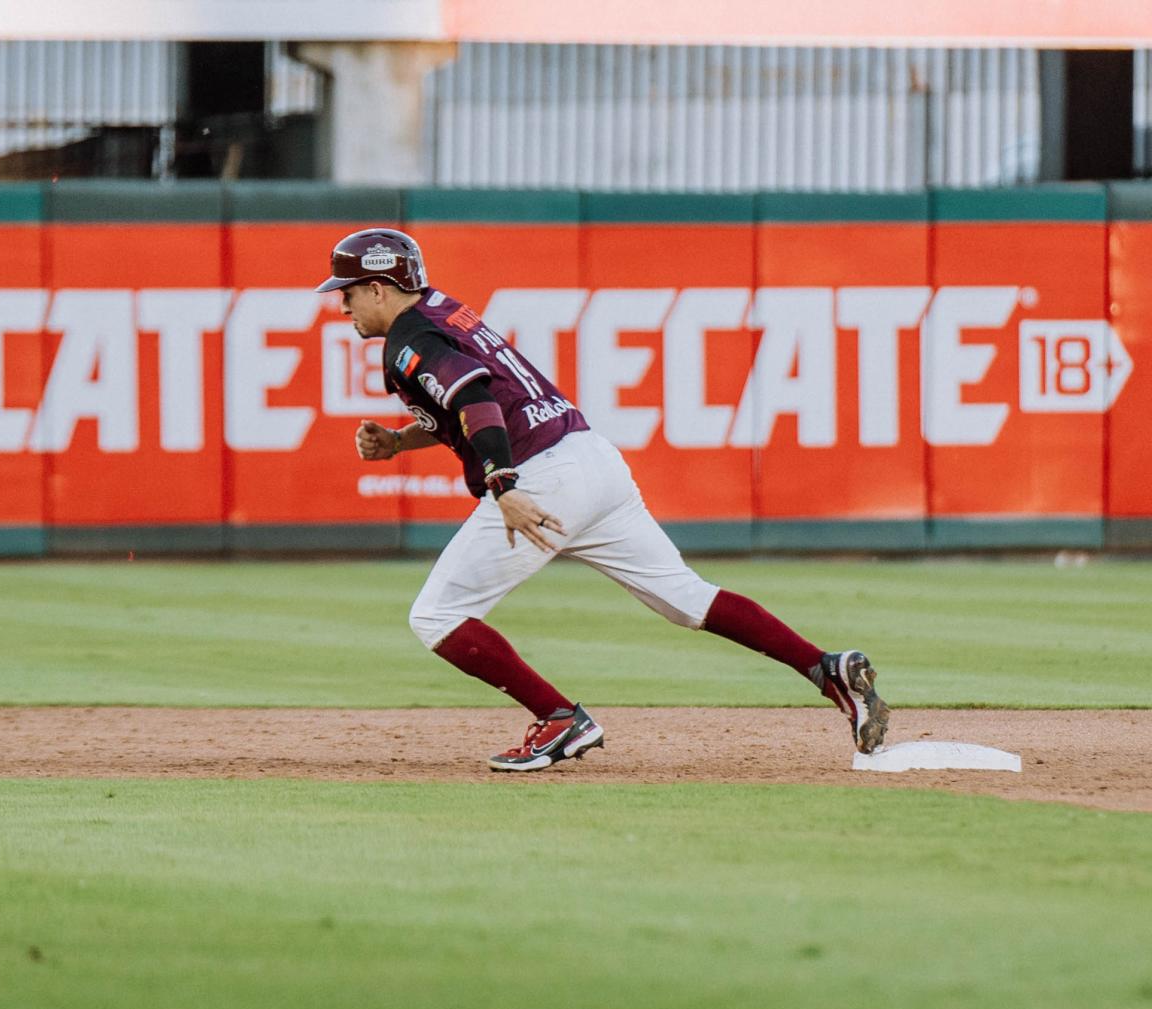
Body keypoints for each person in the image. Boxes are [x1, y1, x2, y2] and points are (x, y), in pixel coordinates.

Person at [318, 227, 888, 772]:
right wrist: (399, 441)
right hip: (591, 458)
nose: (341, 306)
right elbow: (469, 400)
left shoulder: (408, 339)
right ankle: (824, 668)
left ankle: (558, 717)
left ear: (377, 287)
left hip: (540, 475)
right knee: (685, 598)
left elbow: (479, 404)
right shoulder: (441, 309)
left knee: (436, 615)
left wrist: (504, 486)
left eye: (346, 293)